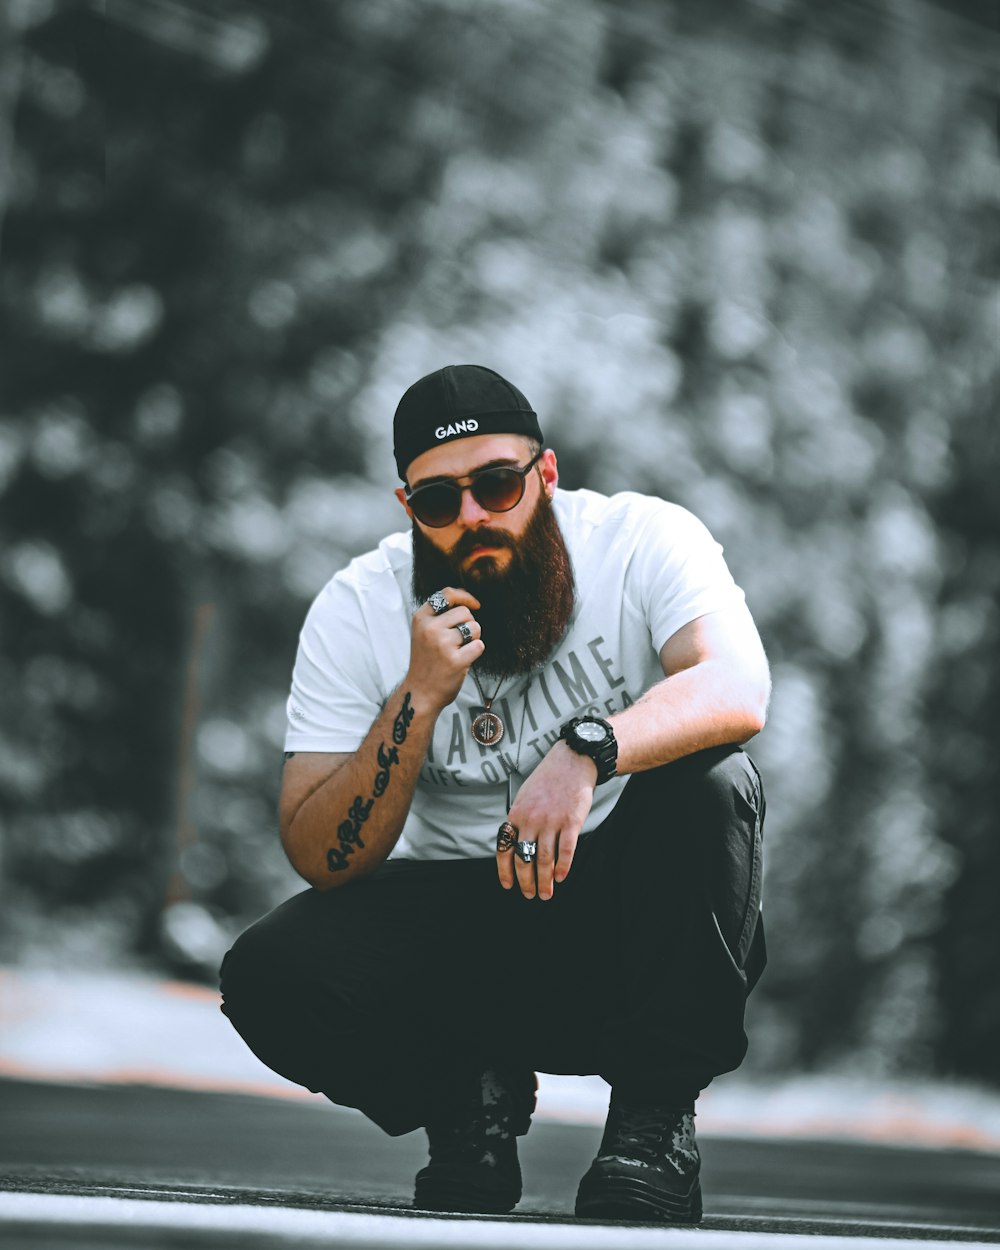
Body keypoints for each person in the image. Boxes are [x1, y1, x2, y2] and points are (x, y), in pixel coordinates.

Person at [220, 363, 770, 1224]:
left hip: (624, 927)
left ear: (544, 476)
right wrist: (417, 696)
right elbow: (318, 851)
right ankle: (468, 1096)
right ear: (409, 510)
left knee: (715, 779)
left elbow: (738, 685)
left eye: (497, 485)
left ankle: (651, 1127)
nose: (473, 515)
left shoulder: (641, 540)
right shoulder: (356, 608)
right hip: (464, 933)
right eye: (440, 501)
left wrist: (590, 749)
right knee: (270, 975)